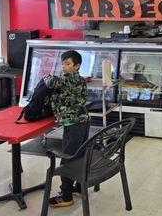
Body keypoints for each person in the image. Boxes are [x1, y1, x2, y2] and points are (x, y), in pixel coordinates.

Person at [44, 50, 90, 208]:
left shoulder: (66, 80)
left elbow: (50, 82)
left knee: (68, 157)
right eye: (62, 63)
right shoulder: (81, 79)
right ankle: (79, 188)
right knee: (80, 154)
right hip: (84, 121)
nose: (63, 66)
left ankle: (66, 195)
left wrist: (47, 75)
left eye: (68, 64)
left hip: (73, 124)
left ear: (77, 66)